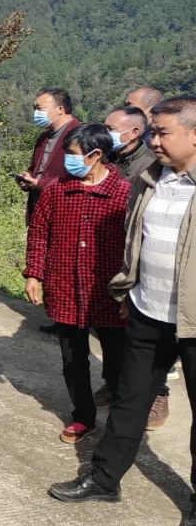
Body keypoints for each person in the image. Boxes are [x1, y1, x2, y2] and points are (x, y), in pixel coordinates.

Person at [48, 97, 196, 521]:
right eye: (152, 132)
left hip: (193, 319)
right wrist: (127, 291)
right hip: (149, 311)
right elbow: (135, 242)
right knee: (129, 401)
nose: (154, 140)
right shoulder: (151, 179)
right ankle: (104, 479)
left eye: (162, 132)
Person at [23, 124, 129, 444]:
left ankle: (122, 416)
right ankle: (83, 416)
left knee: (117, 358)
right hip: (65, 287)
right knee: (73, 359)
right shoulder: (56, 190)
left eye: (72, 155)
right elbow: (39, 233)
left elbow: (135, 245)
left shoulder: (124, 194)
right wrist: (34, 274)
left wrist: (130, 291)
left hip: (107, 292)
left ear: (96, 155)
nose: (68, 161)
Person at [104, 104, 170, 427]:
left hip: (144, 259)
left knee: (152, 340)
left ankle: (159, 396)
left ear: (133, 133)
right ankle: (115, 383)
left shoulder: (151, 166)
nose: (107, 133)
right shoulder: (112, 158)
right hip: (116, 252)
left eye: (111, 127)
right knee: (117, 334)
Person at [18, 87, 81, 222]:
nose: (36, 113)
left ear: (60, 109)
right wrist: (28, 177)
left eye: (40, 109)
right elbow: (37, 167)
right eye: (34, 109)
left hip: (65, 209)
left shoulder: (80, 136)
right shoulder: (43, 137)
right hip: (38, 207)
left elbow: (82, 175)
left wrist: (39, 183)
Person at [106, 105, 156, 181]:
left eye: (111, 129)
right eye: (105, 128)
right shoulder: (104, 156)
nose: (105, 133)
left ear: (134, 133)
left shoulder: (151, 164)